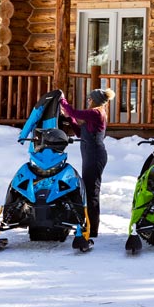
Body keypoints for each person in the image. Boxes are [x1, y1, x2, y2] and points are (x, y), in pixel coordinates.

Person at [59, 87, 114, 239]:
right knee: (88, 191)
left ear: (95, 101)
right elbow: (80, 132)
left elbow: (75, 112)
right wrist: (69, 119)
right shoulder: (93, 115)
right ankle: (88, 225)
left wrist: (62, 99)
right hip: (90, 155)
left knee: (92, 193)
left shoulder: (96, 112)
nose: (88, 101)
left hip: (95, 156)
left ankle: (92, 229)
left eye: (90, 99)